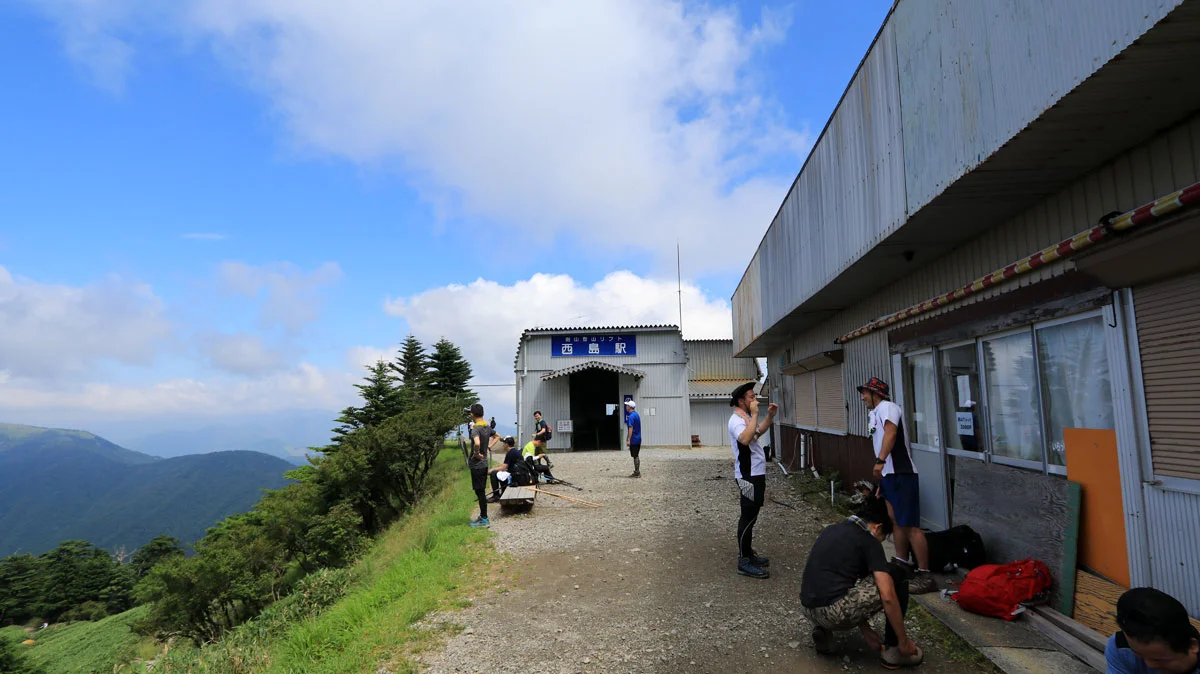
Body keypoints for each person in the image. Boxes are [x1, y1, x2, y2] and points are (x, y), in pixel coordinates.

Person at [800, 493, 923, 669]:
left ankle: (823, 631)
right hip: (832, 613)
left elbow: (841, 583)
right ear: (877, 527)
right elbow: (887, 595)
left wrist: (864, 628)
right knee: (896, 576)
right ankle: (894, 650)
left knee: (834, 581)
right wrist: (904, 641)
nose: (881, 542)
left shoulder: (832, 529)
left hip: (807, 606)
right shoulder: (869, 541)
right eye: (883, 537)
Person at [857, 377, 936, 594]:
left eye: (865, 392)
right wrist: (882, 478)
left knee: (910, 525)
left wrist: (880, 460)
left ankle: (925, 574)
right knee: (895, 520)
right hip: (889, 476)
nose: (862, 397)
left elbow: (891, 434)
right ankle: (902, 562)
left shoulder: (888, 407)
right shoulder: (873, 414)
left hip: (902, 473)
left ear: (876, 393)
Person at [728, 381, 778, 579]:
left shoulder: (746, 417)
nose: (755, 400)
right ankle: (743, 561)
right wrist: (756, 414)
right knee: (747, 517)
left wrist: (770, 417)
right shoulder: (736, 420)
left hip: (756, 474)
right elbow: (745, 439)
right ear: (741, 401)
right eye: (751, 397)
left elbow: (756, 433)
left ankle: (748, 553)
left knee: (753, 514)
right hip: (747, 477)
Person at [1106, 587, 1200, 674]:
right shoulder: (1121, 647)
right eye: (1138, 654)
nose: (1150, 665)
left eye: (1160, 660)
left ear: (1192, 646)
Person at [467, 403, 493, 528]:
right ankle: (483, 516)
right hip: (484, 464)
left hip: (477, 465)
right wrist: (488, 447)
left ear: (472, 414)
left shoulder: (476, 428)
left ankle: (484, 519)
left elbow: (476, 442)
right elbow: (497, 436)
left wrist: (476, 453)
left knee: (480, 492)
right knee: (481, 491)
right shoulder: (486, 427)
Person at [487, 436, 522, 501]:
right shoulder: (515, 451)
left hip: (514, 477)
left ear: (506, 444)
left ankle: (496, 496)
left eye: (504, 443)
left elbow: (504, 467)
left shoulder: (510, 453)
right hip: (518, 475)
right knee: (501, 473)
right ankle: (503, 492)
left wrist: (492, 470)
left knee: (494, 473)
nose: (503, 445)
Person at [625, 400, 642, 478]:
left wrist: (628, 439)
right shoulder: (637, 415)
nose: (626, 406)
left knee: (635, 455)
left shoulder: (631, 416)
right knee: (636, 455)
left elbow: (630, 428)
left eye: (627, 405)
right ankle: (637, 471)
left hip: (634, 439)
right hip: (638, 438)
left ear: (629, 407)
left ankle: (637, 472)